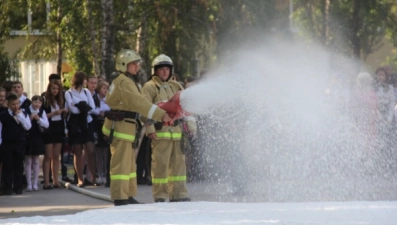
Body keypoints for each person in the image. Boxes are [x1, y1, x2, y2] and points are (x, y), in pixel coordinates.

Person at [102, 49, 172, 206]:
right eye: (133, 64)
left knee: (128, 165)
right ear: (124, 65)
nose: (137, 67)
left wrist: (150, 120)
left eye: (137, 64)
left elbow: (136, 107)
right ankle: (120, 198)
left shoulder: (127, 81)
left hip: (125, 128)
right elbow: (139, 103)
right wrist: (160, 114)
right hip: (120, 128)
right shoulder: (124, 82)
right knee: (121, 165)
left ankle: (127, 195)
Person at [141, 54, 194, 202]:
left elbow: (186, 107)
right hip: (160, 132)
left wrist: (190, 125)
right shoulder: (149, 87)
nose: (164, 72)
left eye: (167, 69)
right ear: (155, 70)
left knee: (179, 165)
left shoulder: (176, 86)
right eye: (161, 69)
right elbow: (145, 109)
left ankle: (179, 194)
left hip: (177, 132)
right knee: (161, 165)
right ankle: (160, 195)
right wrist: (150, 129)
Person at [65, 71, 97, 188]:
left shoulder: (86, 91)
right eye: (84, 79)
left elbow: (92, 107)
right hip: (75, 125)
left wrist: (79, 106)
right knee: (77, 150)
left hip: (87, 122)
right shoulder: (68, 93)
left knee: (91, 150)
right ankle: (80, 179)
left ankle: (93, 177)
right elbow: (72, 110)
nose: (86, 81)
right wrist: (83, 106)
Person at [0, 92, 32, 195]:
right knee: (8, 166)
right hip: (7, 143)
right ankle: (7, 188)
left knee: (19, 165)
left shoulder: (23, 113)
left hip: (20, 142)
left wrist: (20, 116)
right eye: (13, 104)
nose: (16, 106)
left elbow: (28, 126)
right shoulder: (3, 115)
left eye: (17, 103)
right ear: (8, 104)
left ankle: (18, 187)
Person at [42, 80, 68, 189]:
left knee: (56, 156)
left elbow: (64, 117)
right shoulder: (45, 100)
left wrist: (65, 112)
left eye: (57, 89)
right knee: (48, 155)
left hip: (59, 127)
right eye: (53, 88)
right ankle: (47, 181)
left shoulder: (61, 100)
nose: (55, 91)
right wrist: (54, 113)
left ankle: (56, 181)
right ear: (49, 89)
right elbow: (42, 116)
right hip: (49, 128)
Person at [24, 95, 49, 191]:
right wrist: (30, 119)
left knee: (36, 160)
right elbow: (24, 124)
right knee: (28, 161)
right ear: (31, 102)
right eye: (35, 102)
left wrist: (38, 119)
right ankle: (28, 183)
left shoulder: (42, 112)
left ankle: (35, 183)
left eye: (39, 102)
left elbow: (46, 124)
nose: (37, 104)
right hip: (28, 137)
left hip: (37, 137)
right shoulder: (26, 111)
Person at [93, 81, 110, 185]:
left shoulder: (109, 100)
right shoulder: (95, 99)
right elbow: (94, 110)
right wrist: (100, 113)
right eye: (104, 88)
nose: (106, 90)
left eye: (107, 88)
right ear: (99, 89)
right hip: (98, 125)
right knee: (98, 151)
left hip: (107, 125)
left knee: (106, 151)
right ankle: (99, 174)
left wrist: (106, 113)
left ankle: (106, 173)